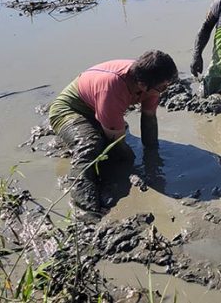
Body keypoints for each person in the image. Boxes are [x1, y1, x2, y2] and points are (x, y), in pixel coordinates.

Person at [48, 50, 178, 214]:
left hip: (98, 107)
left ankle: (101, 127)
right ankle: (84, 206)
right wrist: (128, 158)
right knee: (91, 146)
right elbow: (116, 143)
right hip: (69, 111)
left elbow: (149, 118)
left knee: (112, 141)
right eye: (162, 87)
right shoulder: (113, 88)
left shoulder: (149, 78)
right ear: (143, 85)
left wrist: (153, 153)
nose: (165, 90)